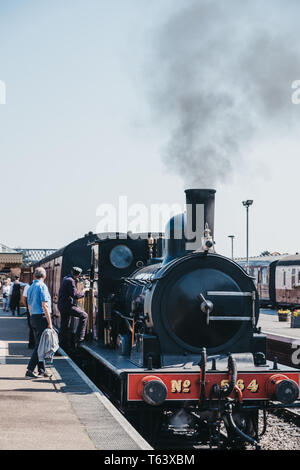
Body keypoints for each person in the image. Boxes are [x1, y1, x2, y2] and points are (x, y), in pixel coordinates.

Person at [25, 267, 53, 379]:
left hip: (33, 317)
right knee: (40, 346)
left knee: (39, 344)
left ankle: (42, 370)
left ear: (34, 276)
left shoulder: (31, 287)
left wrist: (32, 316)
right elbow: (45, 305)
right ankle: (30, 370)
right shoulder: (42, 286)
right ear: (44, 276)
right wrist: (50, 323)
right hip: (41, 318)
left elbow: (29, 304)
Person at [58, 266, 89, 348]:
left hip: (62, 305)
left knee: (64, 325)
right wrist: (84, 291)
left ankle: (62, 345)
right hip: (67, 305)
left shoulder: (66, 278)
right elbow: (76, 295)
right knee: (84, 315)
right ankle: (79, 338)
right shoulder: (70, 281)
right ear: (78, 274)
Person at [23, 282, 35, 348]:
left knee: (31, 327)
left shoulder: (28, 286)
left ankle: (31, 344)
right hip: (37, 309)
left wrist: (27, 307)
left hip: (30, 308)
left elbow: (23, 299)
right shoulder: (43, 286)